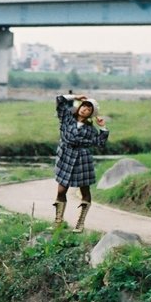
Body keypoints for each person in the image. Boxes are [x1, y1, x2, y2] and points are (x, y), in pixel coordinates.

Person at [53, 93, 108, 232]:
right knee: (61, 190)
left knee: (85, 190)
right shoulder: (67, 118)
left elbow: (100, 143)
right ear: (79, 107)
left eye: (89, 109)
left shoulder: (90, 129)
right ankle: (58, 221)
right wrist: (76, 97)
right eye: (84, 106)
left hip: (82, 159)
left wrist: (102, 127)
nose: (85, 109)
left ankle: (80, 223)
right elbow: (60, 100)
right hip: (65, 156)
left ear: (91, 114)